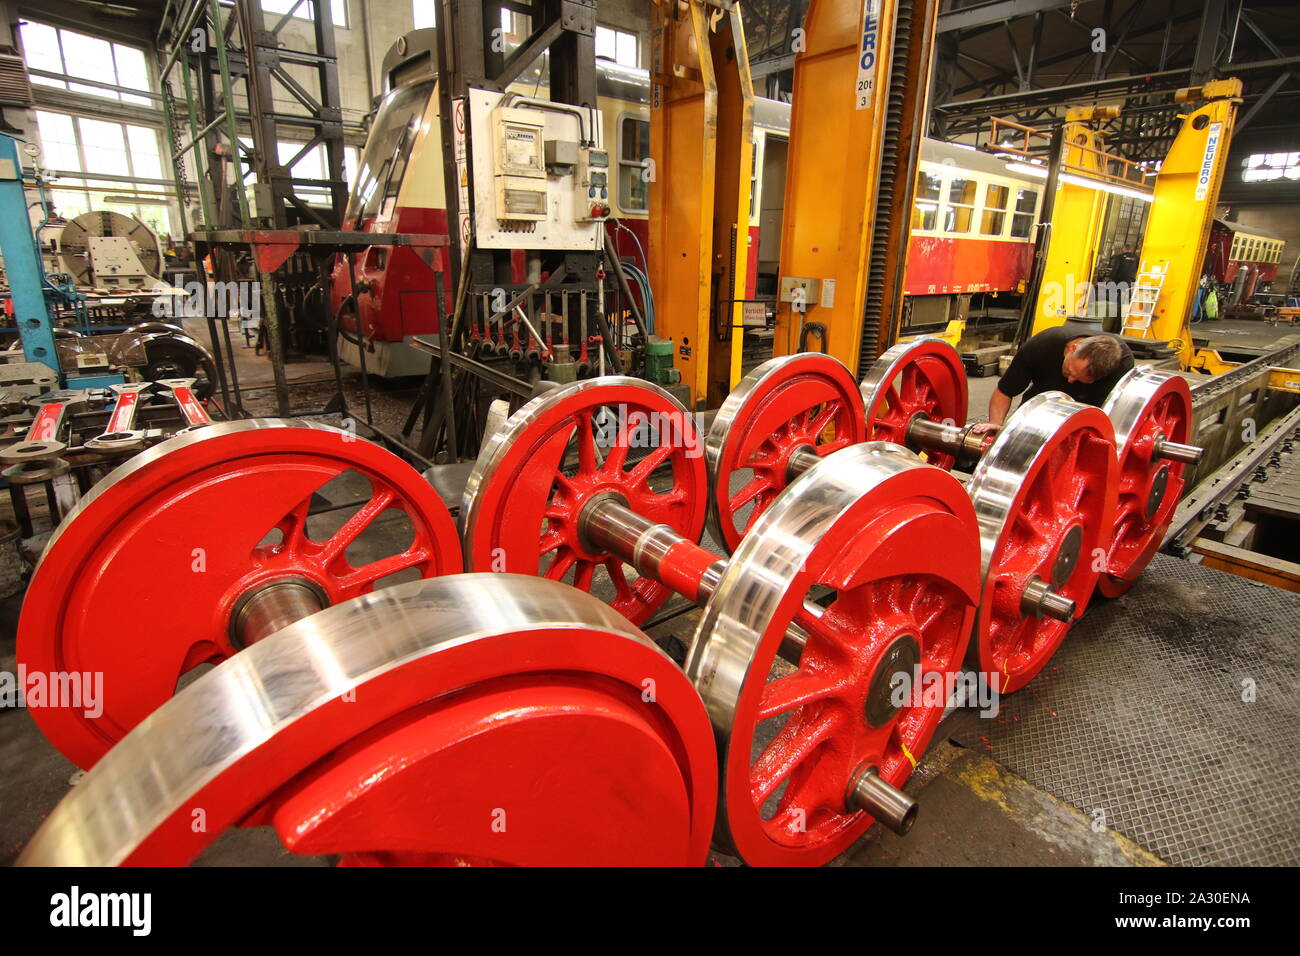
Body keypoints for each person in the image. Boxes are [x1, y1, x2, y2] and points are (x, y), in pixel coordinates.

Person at [972, 326, 1134, 434]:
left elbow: (1115, 415)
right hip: (1038, 408)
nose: (1070, 381)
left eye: (1080, 380)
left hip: (1085, 417)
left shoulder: (1121, 364)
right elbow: (1005, 391)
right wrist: (996, 425)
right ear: (1073, 349)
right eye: (1070, 371)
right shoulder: (1040, 347)